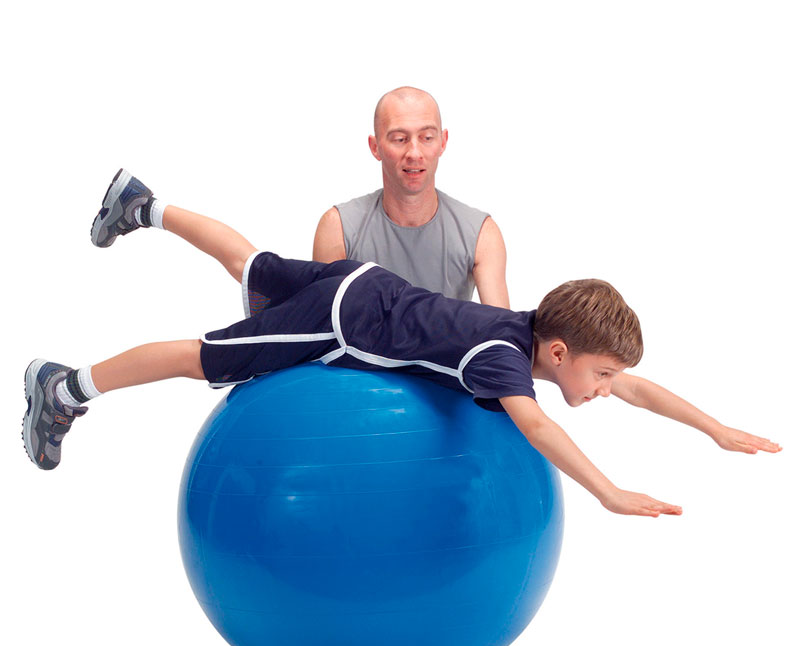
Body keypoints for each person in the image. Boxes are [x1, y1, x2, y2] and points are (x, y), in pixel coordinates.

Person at [23, 169, 780, 519]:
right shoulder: (504, 361)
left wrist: (713, 428)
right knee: (202, 358)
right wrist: (608, 492)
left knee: (250, 263)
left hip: (365, 285)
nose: (609, 389)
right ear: (558, 353)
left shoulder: (528, 330)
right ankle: (65, 387)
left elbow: (640, 387)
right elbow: (539, 428)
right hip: (343, 320)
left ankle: (143, 203)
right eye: (602, 374)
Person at [311, 86, 510, 308]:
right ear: (375, 147)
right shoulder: (338, 228)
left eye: (427, 137)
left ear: (443, 142)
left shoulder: (481, 234)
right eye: (399, 139)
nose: (414, 153)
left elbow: (499, 325)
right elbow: (324, 321)